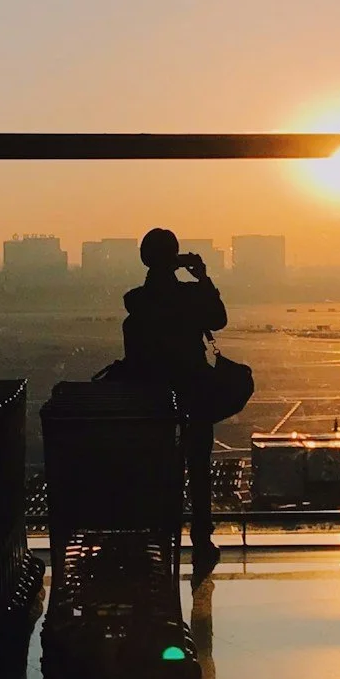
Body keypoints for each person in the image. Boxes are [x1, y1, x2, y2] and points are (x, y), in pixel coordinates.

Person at [120, 227, 230, 576]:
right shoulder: (191, 297)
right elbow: (219, 320)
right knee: (198, 467)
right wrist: (202, 277)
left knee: (155, 468)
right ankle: (201, 537)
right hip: (193, 390)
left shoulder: (136, 300)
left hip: (151, 398)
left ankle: (156, 537)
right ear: (175, 257)